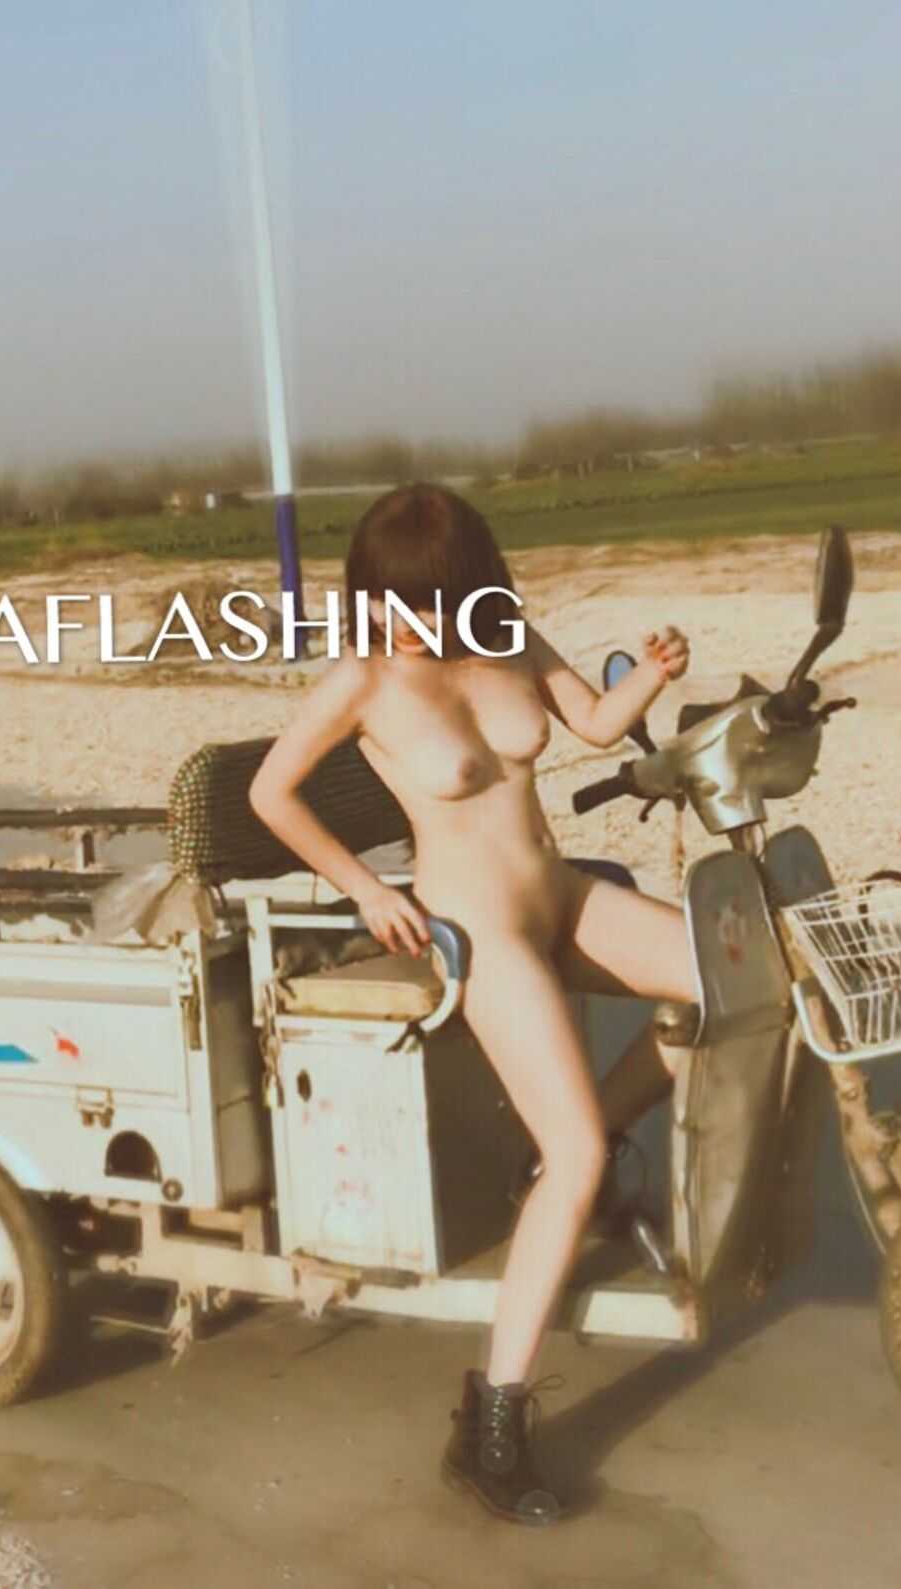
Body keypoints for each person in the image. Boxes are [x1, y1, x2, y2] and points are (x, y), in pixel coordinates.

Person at [248, 483, 693, 1526]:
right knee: (575, 1156)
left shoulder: (509, 637)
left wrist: (653, 672)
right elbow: (272, 791)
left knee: (733, 980)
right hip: (480, 933)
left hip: (562, 896)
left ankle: (583, 1141)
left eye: (435, 599)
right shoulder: (363, 678)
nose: (416, 619)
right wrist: (367, 888)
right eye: (395, 599)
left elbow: (594, 722)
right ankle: (490, 1420)